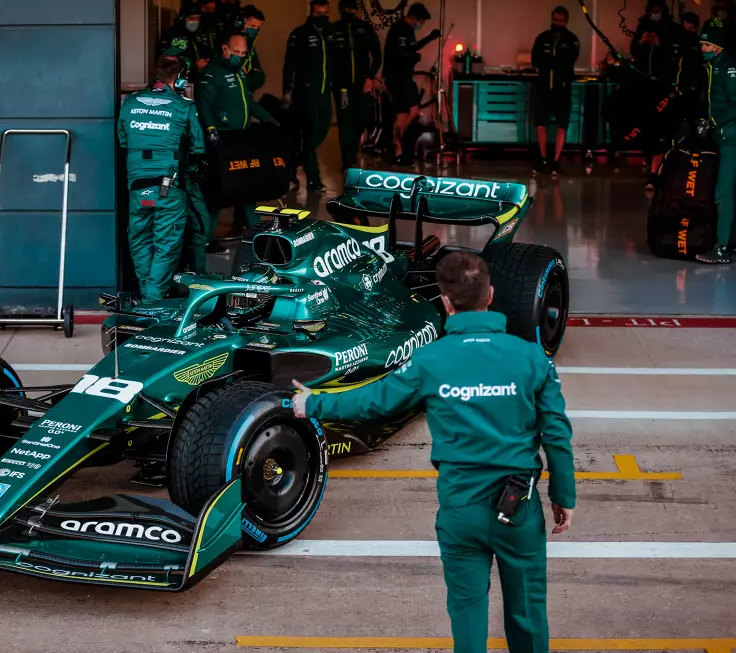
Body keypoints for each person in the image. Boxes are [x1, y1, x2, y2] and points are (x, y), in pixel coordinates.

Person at [291, 251, 576, 653]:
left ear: (445, 301)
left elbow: (373, 401)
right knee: (527, 612)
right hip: (519, 508)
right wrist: (564, 496)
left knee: (467, 614)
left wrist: (313, 404)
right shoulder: (531, 357)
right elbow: (557, 434)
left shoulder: (429, 360)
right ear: (491, 294)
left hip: (460, 509)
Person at [117, 56, 205, 302]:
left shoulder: (131, 102)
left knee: (140, 240)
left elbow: (123, 139)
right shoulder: (184, 106)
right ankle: (153, 299)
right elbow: (198, 147)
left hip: (137, 186)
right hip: (169, 187)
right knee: (166, 245)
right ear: (177, 79)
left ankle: (148, 293)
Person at [197, 33, 279, 235]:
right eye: (236, 52)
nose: (239, 56)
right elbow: (203, 104)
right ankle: (206, 239)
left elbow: (248, 103)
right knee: (218, 191)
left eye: (243, 53)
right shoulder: (211, 73)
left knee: (247, 187)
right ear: (225, 49)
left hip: (242, 139)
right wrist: (210, 129)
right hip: (222, 141)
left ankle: (257, 232)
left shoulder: (240, 72)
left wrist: (269, 119)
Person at [283, 0, 335, 191]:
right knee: (310, 131)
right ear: (311, 12)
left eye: (325, 13)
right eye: (318, 13)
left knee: (323, 127)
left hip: (324, 92)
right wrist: (286, 91)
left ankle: (295, 158)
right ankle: (313, 178)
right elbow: (289, 64)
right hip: (305, 92)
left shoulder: (330, 32)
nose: (322, 16)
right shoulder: (300, 34)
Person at [632, 0, 682, 189]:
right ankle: (651, 160)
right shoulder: (643, 24)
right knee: (647, 124)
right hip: (645, 83)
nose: (654, 13)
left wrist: (659, 44)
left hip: (663, 83)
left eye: (657, 11)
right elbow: (634, 50)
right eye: (651, 11)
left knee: (661, 126)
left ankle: (656, 170)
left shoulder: (670, 28)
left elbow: (673, 54)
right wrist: (641, 42)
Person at [697, 19, 736, 264]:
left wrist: (713, 121)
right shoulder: (714, 68)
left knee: (722, 194)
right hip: (724, 136)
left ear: (718, 47)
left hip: (732, 137)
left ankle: (722, 247)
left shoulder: (729, 68)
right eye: (701, 44)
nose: (703, 49)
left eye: (707, 45)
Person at [383, 2, 441, 165]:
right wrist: (413, 58)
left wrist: (429, 38)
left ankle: (397, 150)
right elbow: (402, 54)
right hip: (399, 78)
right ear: (414, 17)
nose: (420, 24)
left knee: (401, 116)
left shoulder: (405, 30)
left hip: (399, 77)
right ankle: (396, 142)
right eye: (421, 21)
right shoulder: (401, 30)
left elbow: (411, 48)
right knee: (414, 112)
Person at [332, 0, 383, 172]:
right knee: (345, 124)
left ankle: (352, 154)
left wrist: (369, 78)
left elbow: (377, 56)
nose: (349, 12)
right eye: (346, 9)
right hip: (341, 86)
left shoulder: (365, 28)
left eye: (352, 9)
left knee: (360, 122)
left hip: (362, 85)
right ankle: (348, 163)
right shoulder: (334, 29)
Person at [530, 6, 580, 178]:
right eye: (555, 20)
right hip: (543, 86)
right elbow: (535, 59)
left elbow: (570, 61)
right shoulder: (543, 38)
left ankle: (556, 161)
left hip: (562, 88)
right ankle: (543, 158)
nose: (557, 23)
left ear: (566, 21)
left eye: (561, 20)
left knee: (562, 124)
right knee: (541, 122)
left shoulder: (571, 39)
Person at [159, 2, 211, 79]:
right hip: (180, 81)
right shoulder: (172, 36)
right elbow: (167, 62)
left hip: (202, 81)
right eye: (191, 18)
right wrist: (195, 65)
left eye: (197, 18)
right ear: (182, 18)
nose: (195, 21)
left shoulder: (202, 35)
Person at [241, 5, 266, 93]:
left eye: (257, 28)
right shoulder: (232, 40)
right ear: (243, 22)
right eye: (252, 26)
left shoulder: (250, 42)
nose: (255, 30)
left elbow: (257, 70)